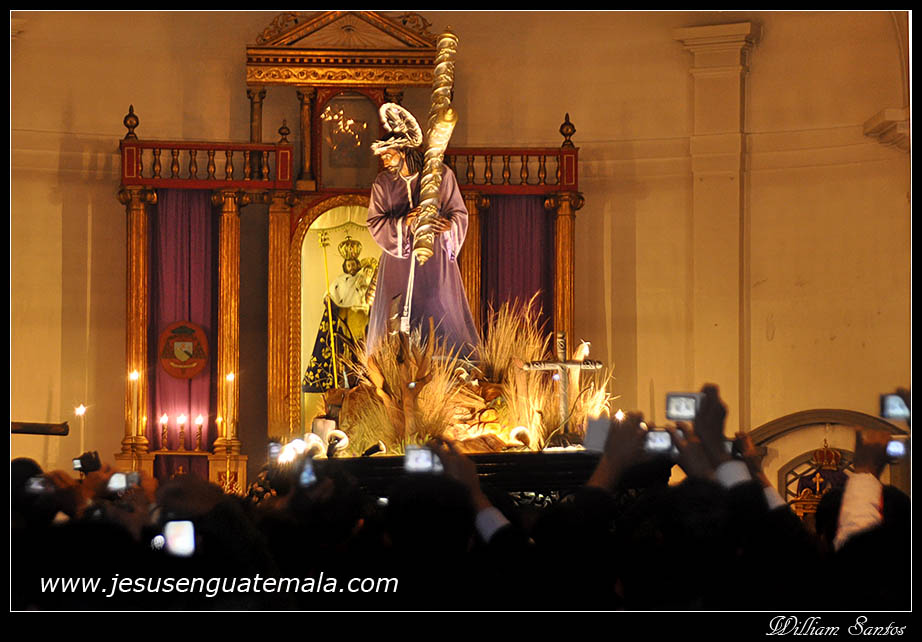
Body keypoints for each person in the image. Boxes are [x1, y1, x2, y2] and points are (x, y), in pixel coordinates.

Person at [364, 103, 479, 358]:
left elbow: (459, 213)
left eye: (389, 154)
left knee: (435, 305)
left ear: (404, 151)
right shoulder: (383, 184)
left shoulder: (441, 175)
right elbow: (374, 222)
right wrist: (403, 223)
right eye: (383, 156)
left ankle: (441, 364)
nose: (384, 160)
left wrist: (449, 225)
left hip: (434, 259)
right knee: (394, 311)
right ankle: (394, 363)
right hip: (398, 259)